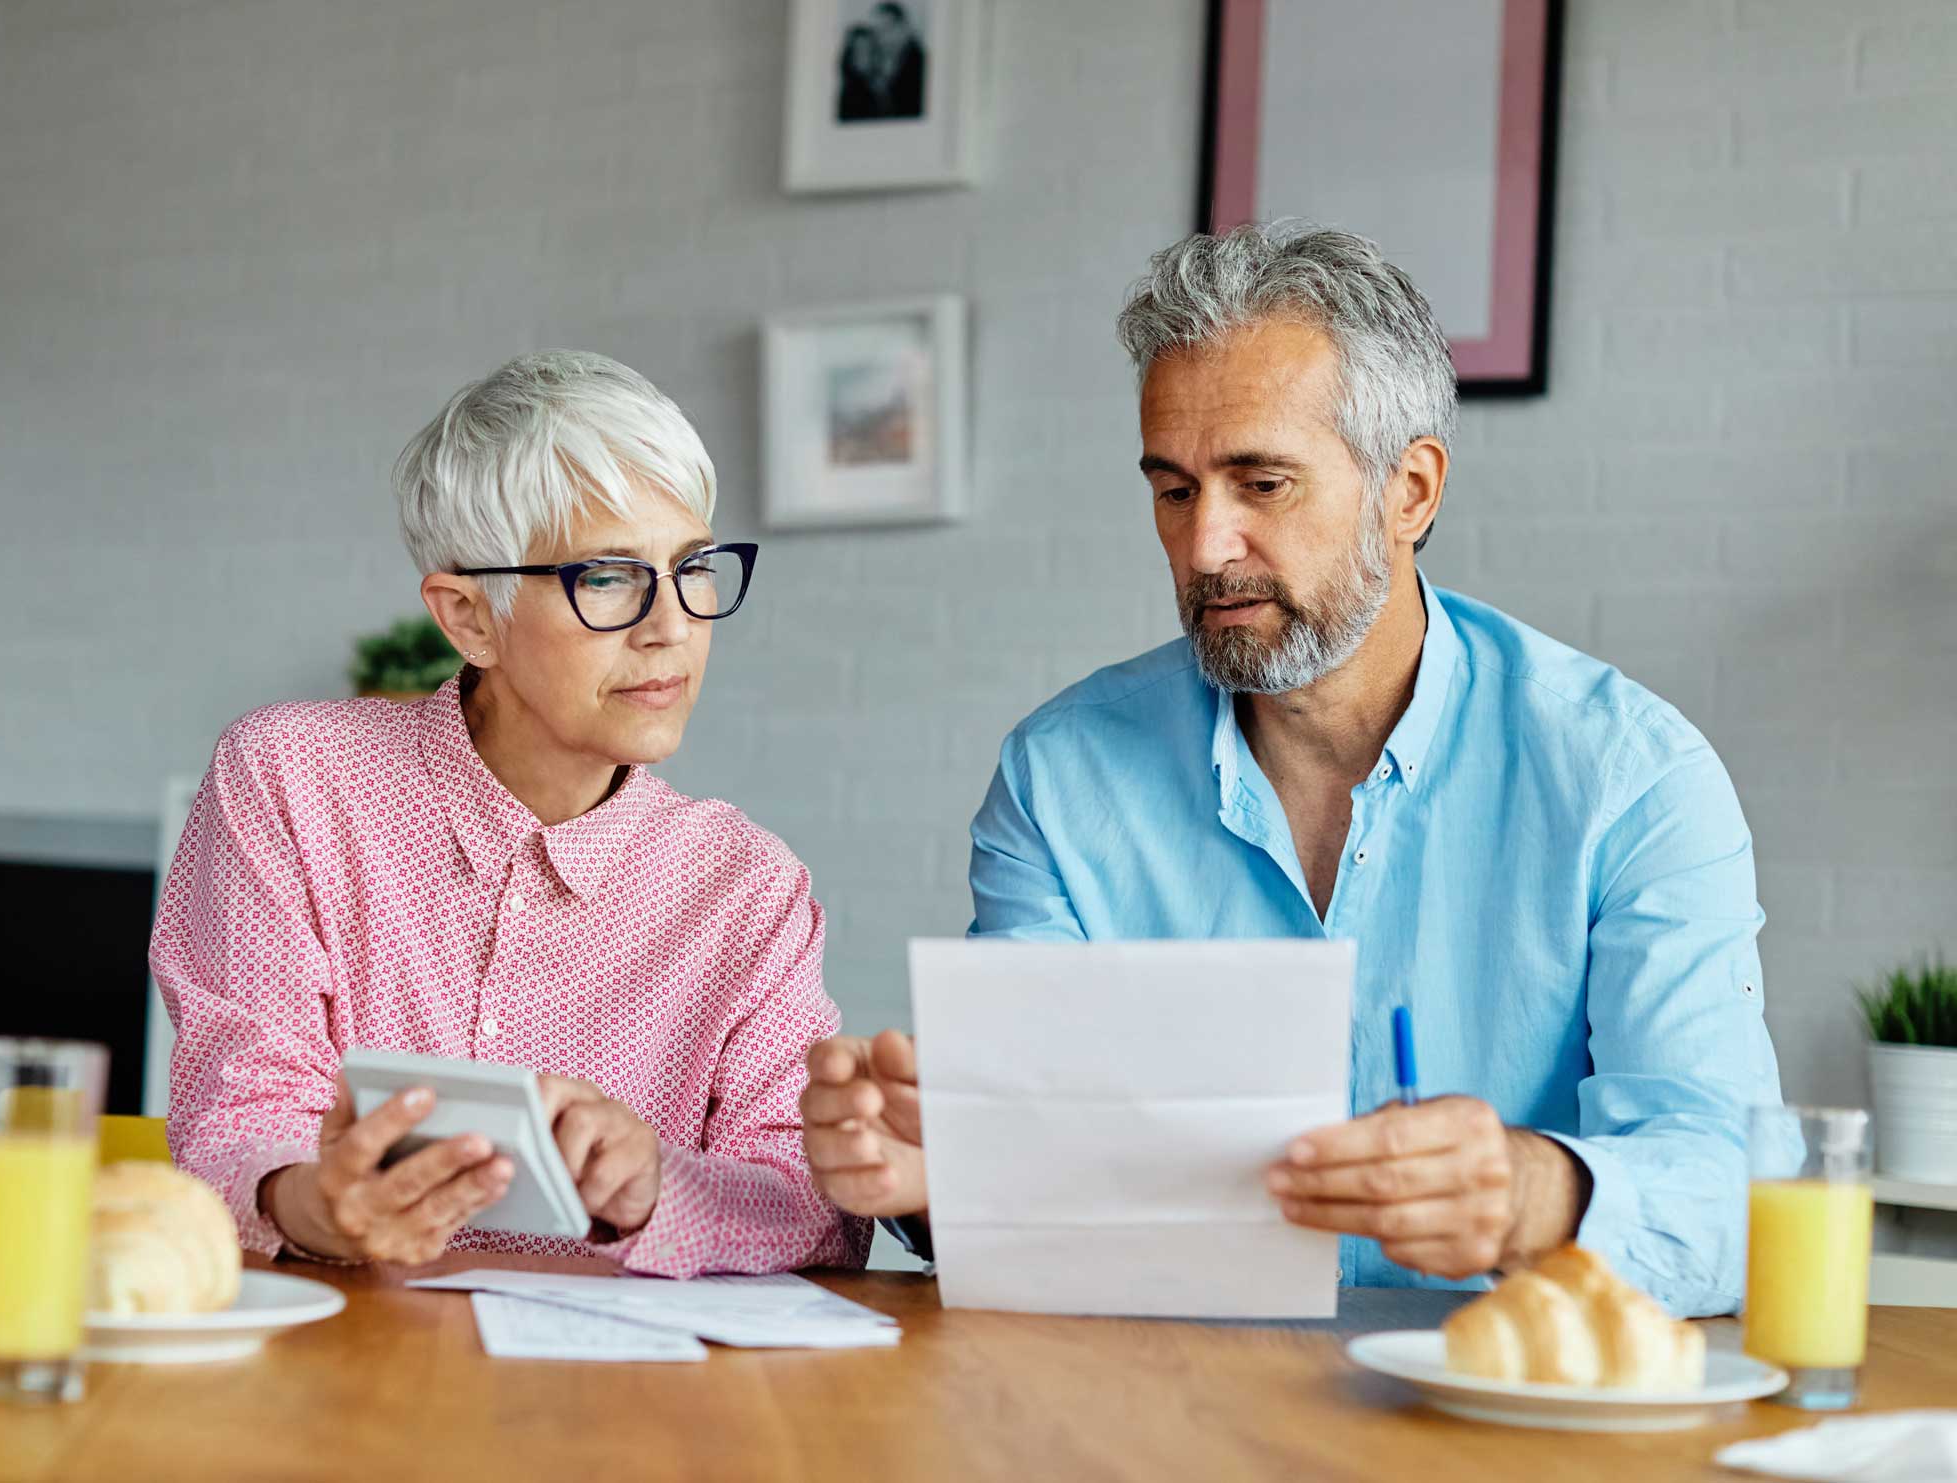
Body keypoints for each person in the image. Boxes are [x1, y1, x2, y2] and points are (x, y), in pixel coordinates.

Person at [801, 224, 1784, 1317]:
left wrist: (1532, 1193)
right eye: (1173, 491)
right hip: (1170, 1403)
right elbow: (1040, 1165)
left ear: (1407, 491)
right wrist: (945, 1185)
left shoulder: (1627, 778)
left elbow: (1740, 1199)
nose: (1204, 546)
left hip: (1498, 1408)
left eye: (1259, 484)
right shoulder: (1059, 777)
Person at [152, 351, 870, 1276]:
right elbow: (236, 1119)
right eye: (608, 577)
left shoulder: (748, 887)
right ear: (468, 618)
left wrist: (659, 1184)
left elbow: (825, 1216)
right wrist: (319, 1203)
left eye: (692, 568)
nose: (673, 628)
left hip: (623, 1405)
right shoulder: (290, 777)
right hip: (338, 1374)